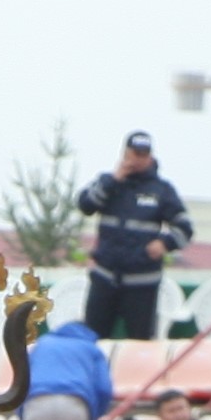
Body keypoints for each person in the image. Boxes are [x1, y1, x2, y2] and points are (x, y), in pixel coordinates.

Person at [75, 131, 191, 341]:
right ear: (125, 153)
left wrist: (165, 243)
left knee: (140, 345)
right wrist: (114, 180)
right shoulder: (107, 183)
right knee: (92, 340)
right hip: (105, 278)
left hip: (142, 284)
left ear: (151, 157)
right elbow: (86, 205)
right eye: (134, 153)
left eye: (143, 155)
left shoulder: (161, 190)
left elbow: (185, 228)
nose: (138, 159)